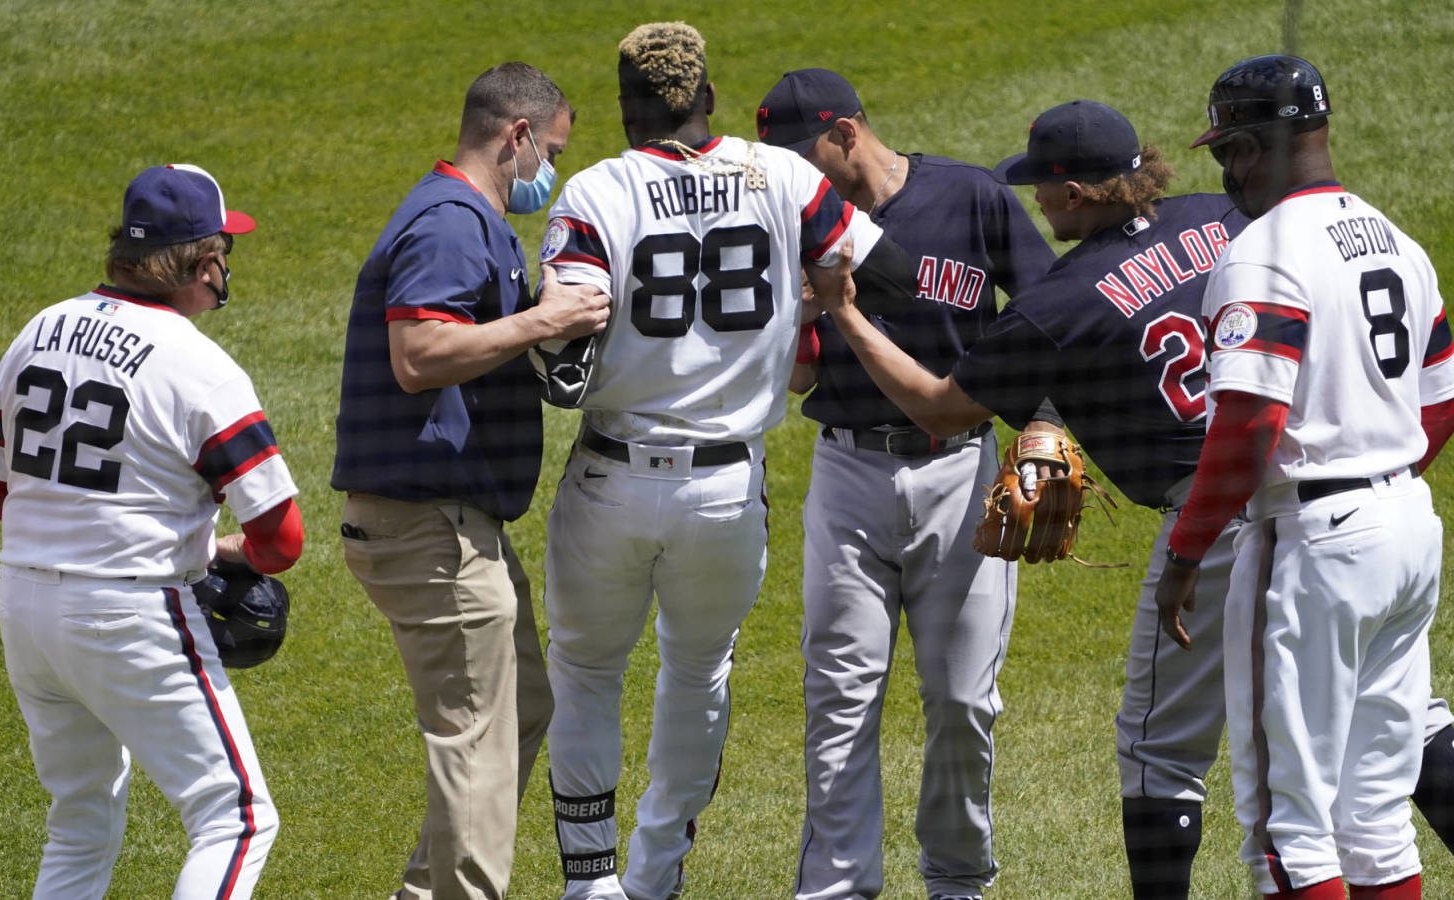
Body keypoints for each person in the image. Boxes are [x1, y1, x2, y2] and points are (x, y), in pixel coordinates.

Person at [810, 99, 1254, 898]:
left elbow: (944, 408)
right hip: (1309, 482)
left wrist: (842, 310)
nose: (1034, 203)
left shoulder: (1062, 302)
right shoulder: (1222, 216)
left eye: (1042, 189)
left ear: (1076, 195)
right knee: (1385, 715)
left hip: (1210, 512)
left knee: (1159, 752)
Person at [536, 23, 924, 900]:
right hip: (724, 489)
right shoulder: (781, 175)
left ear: (626, 108)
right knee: (697, 669)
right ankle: (656, 873)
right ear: (706, 97)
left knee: (587, 671)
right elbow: (893, 272)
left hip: (612, 479)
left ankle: (590, 885)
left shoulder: (599, 190)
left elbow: (562, 353)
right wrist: (811, 300)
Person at [1153, 55, 1454, 900]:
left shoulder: (1260, 254)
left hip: (1314, 543)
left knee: (1289, 826)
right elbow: (1442, 396)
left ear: (1250, 150)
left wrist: (1185, 556)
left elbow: (1248, 427)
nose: (1225, 173)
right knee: (1375, 814)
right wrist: (1371, 467)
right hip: (1405, 529)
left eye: (1226, 153)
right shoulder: (1397, 239)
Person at [0, 163, 305, 899]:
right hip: (132, 613)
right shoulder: (199, 367)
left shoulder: (39, 329)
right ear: (201, 260)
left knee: (79, 819)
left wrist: (75, 535)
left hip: (24, 608)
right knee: (236, 818)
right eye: (222, 252)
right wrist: (215, 551)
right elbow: (281, 537)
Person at [755, 68, 1055, 900]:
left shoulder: (970, 197)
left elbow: (1050, 311)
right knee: (839, 700)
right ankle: (837, 887)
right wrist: (806, 320)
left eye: (800, 153)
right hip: (849, 473)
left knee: (963, 701)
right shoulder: (788, 221)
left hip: (961, 476)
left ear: (847, 133)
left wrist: (1045, 425)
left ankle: (958, 881)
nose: (792, 174)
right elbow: (794, 376)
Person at [330, 62, 609, 900]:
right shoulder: (452, 221)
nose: (550, 170)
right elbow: (416, 356)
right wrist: (543, 320)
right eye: (551, 149)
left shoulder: (463, 216)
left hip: (451, 522)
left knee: (518, 706)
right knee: (476, 741)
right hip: (429, 528)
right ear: (517, 135)